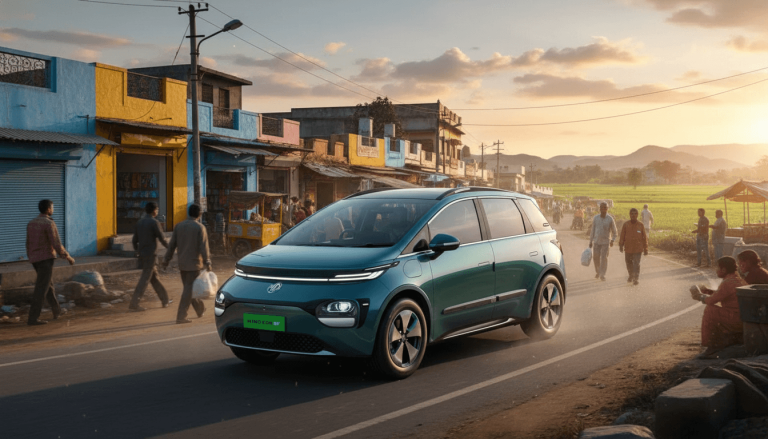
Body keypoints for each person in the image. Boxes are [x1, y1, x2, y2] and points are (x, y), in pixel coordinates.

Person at [25, 199, 75, 325]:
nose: (53, 210)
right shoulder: (48, 223)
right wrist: (68, 257)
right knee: (41, 288)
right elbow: (56, 243)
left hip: (35, 259)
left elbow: (27, 243)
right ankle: (33, 318)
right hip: (46, 259)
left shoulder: (31, 223)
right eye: (52, 207)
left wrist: (31, 257)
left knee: (48, 285)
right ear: (48, 209)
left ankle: (56, 310)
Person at [162, 204, 211, 324]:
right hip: (194, 264)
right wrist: (207, 262)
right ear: (199, 214)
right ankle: (181, 316)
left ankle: (200, 309)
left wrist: (166, 260)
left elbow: (172, 245)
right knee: (188, 290)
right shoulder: (200, 227)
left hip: (182, 264)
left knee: (189, 288)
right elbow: (204, 247)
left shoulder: (179, 226)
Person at [689, 256, 748, 358]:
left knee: (710, 310)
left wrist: (699, 296)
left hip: (735, 318)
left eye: (717, 268)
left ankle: (707, 347)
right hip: (742, 317)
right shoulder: (736, 278)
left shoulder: (728, 282)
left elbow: (712, 300)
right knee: (715, 310)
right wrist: (708, 291)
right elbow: (722, 295)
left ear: (724, 270)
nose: (716, 271)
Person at [128, 202, 171, 311]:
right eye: (157, 209)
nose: (157, 211)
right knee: (145, 280)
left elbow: (134, 240)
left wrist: (137, 251)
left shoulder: (140, 222)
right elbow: (162, 239)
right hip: (151, 255)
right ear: (154, 210)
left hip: (142, 254)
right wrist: (171, 249)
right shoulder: (154, 223)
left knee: (154, 278)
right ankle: (134, 303)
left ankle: (165, 300)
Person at [619, 208, 649, 285]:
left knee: (636, 263)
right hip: (628, 248)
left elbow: (644, 237)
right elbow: (622, 235)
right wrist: (621, 245)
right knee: (628, 263)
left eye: (635, 213)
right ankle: (631, 275)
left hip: (638, 248)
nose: (633, 215)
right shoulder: (626, 225)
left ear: (637, 215)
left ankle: (636, 278)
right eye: (631, 214)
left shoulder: (640, 225)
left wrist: (645, 249)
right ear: (629, 215)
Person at [589, 202, 618, 281]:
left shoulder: (610, 219)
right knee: (596, 258)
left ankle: (602, 274)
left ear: (607, 209)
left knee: (604, 258)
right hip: (596, 242)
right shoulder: (596, 218)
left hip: (606, 242)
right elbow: (593, 230)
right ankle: (598, 271)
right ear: (599, 208)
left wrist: (613, 240)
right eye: (602, 208)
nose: (603, 209)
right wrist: (590, 241)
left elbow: (615, 232)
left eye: (605, 208)